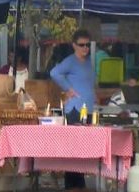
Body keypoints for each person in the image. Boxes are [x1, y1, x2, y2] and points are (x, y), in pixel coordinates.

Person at [50, 29, 95, 191]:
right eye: (81, 45)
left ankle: (79, 184)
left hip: (88, 110)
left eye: (87, 45)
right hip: (75, 109)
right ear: (74, 45)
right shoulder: (70, 61)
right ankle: (72, 185)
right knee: (74, 149)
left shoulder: (89, 62)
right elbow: (54, 73)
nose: (85, 48)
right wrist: (68, 89)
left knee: (82, 149)